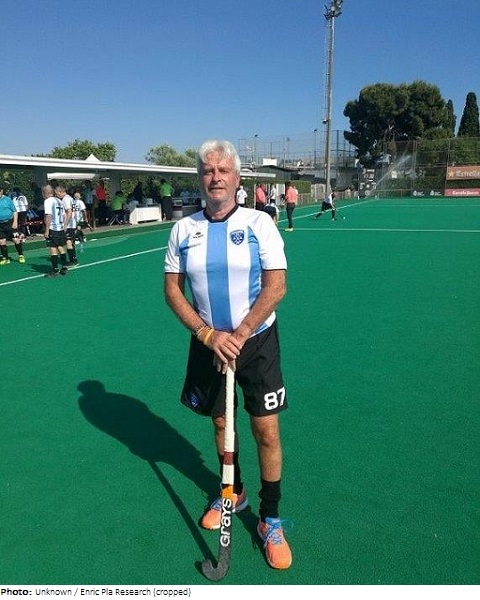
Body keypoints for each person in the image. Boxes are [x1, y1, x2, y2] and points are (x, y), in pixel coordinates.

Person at [164, 139, 292, 570]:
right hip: (208, 343)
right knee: (221, 422)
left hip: (255, 341)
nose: (215, 177)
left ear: (237, 178)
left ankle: (270, 518)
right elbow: (172, 291)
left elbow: (277, 286)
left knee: (265, 430)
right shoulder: (183, 229)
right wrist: (207, 334)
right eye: (207, 170)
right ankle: (232, 493)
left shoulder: (260, 223)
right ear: (199, 178)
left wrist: (239, 334)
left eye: (223, 170)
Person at [43, 184, 69, 277]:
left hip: (53, 228)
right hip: (60, 227)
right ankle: (64, 267)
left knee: (53, 247)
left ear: (46, 192)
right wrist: (64, 225)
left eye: (43, 192)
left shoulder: (48, 201)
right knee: (60, 246)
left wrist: (47, 230)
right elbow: (64, 215)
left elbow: (48, 215)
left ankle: (55, 270)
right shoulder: (59, 200)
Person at [0, 185, 26, 265]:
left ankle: (21, 255)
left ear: (1, 191)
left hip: (10, 222)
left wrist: (15, 222)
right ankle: (6, 258)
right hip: (0, 224)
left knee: (16, 239)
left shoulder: (7, 200)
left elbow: (15, 211)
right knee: (1, 241)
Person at [55, 186, 78, 266]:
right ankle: (73, 258)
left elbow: (69, 211)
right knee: (70, 242)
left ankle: (73, 260)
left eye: (57, 193)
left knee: (68, 242)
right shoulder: (70, 198)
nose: (57, 195)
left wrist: (65, 224)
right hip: (72, 223)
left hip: (69, 224)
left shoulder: (65, 199)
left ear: (60, 192)